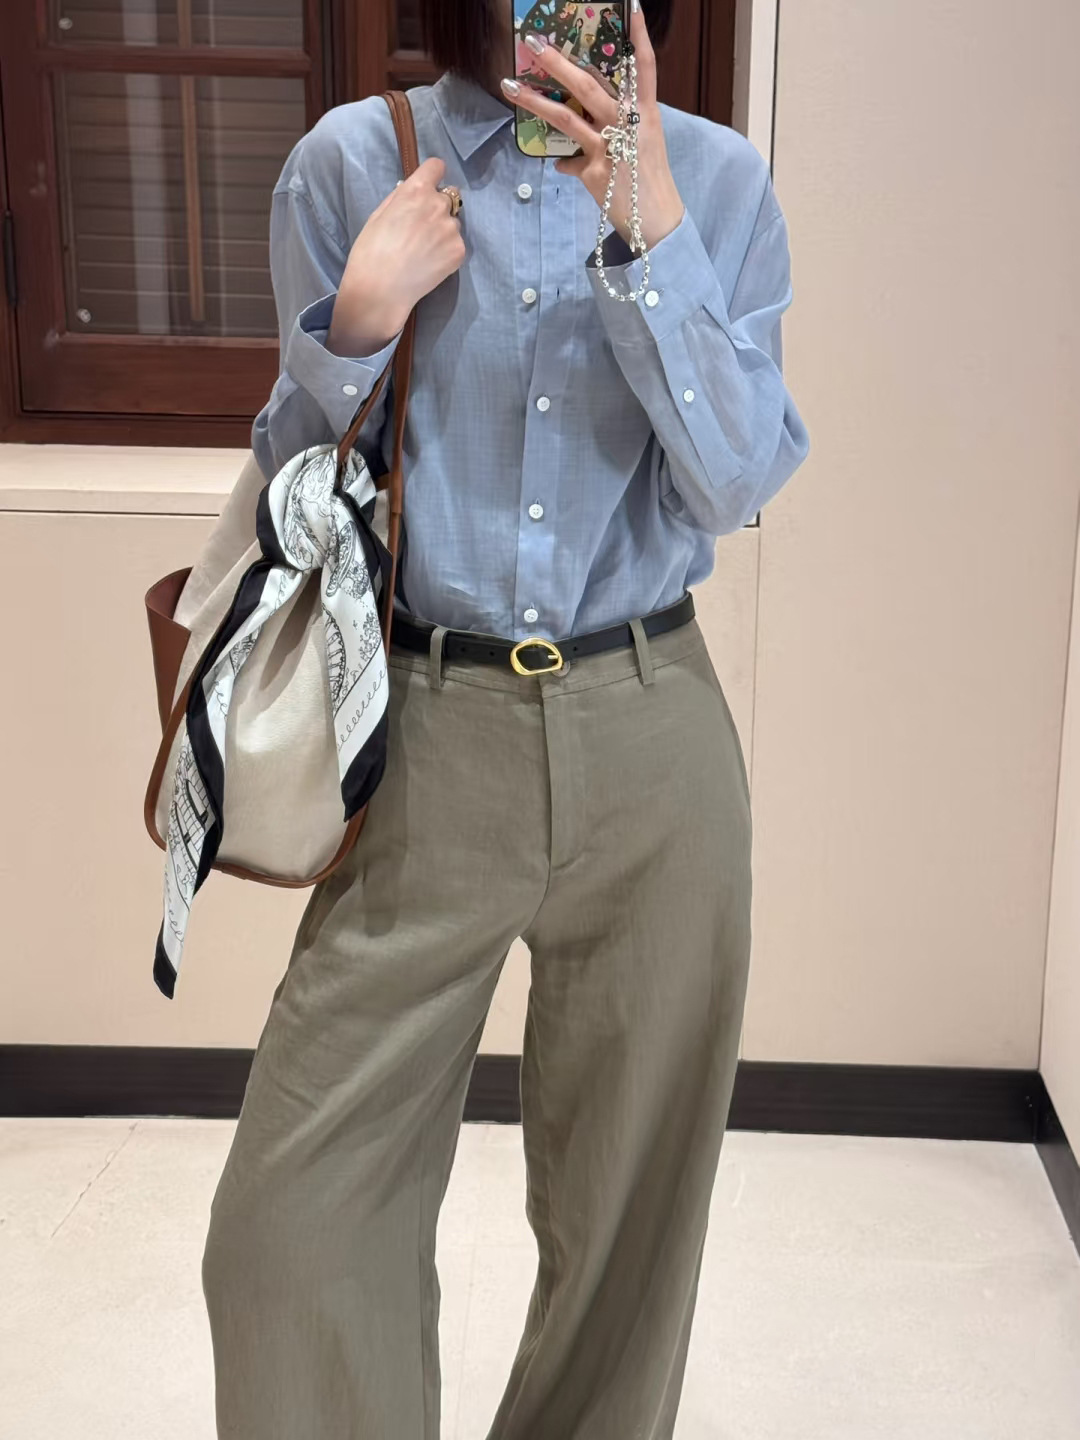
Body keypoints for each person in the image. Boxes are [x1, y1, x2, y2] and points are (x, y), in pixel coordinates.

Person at [201, 1, 810, 1436]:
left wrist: (648, 223)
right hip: (425, 731)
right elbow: (294, 490)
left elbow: (736, 484)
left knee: (630, 1224)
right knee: (289, 1231)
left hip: (654, 738)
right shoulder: (357, 161)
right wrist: (358, 324)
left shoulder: (717, 181)